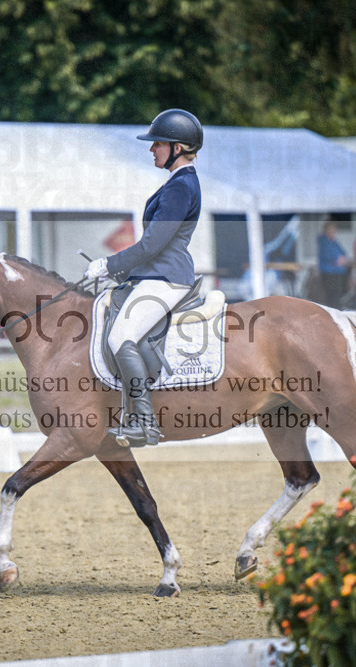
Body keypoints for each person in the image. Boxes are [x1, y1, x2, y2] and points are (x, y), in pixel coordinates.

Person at [84, 108, 203, 448]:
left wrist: (109, 264)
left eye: (158, 144)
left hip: (167, 277)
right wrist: (125, 271)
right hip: (155, 274)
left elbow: (153, 244)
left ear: (177, 148)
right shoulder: (177, 183)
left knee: (120, 337)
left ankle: (144, 422)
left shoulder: (181, 187)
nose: (152, 149)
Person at [316, 221, 350, 308]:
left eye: (334, 230)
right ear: (326, 230)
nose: (333, 232)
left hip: (337, 274)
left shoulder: (334, 242)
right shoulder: (324, 242)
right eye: (331, 230)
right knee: (332, 299)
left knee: (337, 298)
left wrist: (342, 260)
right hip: (329, 275)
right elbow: (330, 257)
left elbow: (344, 254)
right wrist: (339, 260)